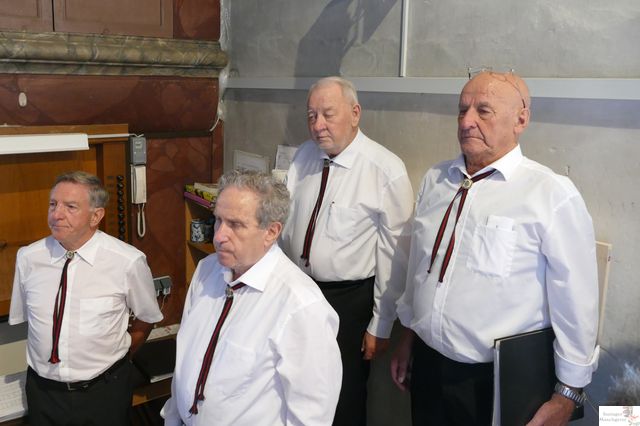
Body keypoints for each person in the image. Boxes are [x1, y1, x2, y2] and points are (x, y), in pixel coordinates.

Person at [391, 70, 599, 426]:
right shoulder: (436, 180)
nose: (466, 122)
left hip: (494, 382)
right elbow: (419, 268)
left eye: (483, 111)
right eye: (462, 110)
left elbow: (576, 301)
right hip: (427, 367)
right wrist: (409, 334)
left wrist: (568, 392)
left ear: (521, 120)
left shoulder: (549, 194)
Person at [279, 76, 414, 426]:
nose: (317, 125)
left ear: (355, 114)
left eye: (328, 114)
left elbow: (395, 255)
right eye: (311, 116)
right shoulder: (304, 157)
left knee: (343, 395)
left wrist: (381, 324)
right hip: (299, 291)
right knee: (295, 382)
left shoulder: (384, 169)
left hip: (349, 302)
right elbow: (285, 224)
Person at [161, 170, 342, 425]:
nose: (219, 236)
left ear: (271, 231)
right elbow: (185, 362)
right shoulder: (206, 271)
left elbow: (312, 416)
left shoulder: (301, 306)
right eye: (218, 220)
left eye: (235, 225)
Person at [9, 171, 163, 426]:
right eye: (53, 204)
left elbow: (146, 319)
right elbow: (32, 322)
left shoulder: (127, 261)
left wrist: (119, 359)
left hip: (104, 393)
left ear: (96, 216)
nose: (57, 214)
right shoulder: (28, 258)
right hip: (43, 393)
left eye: (70, 207)